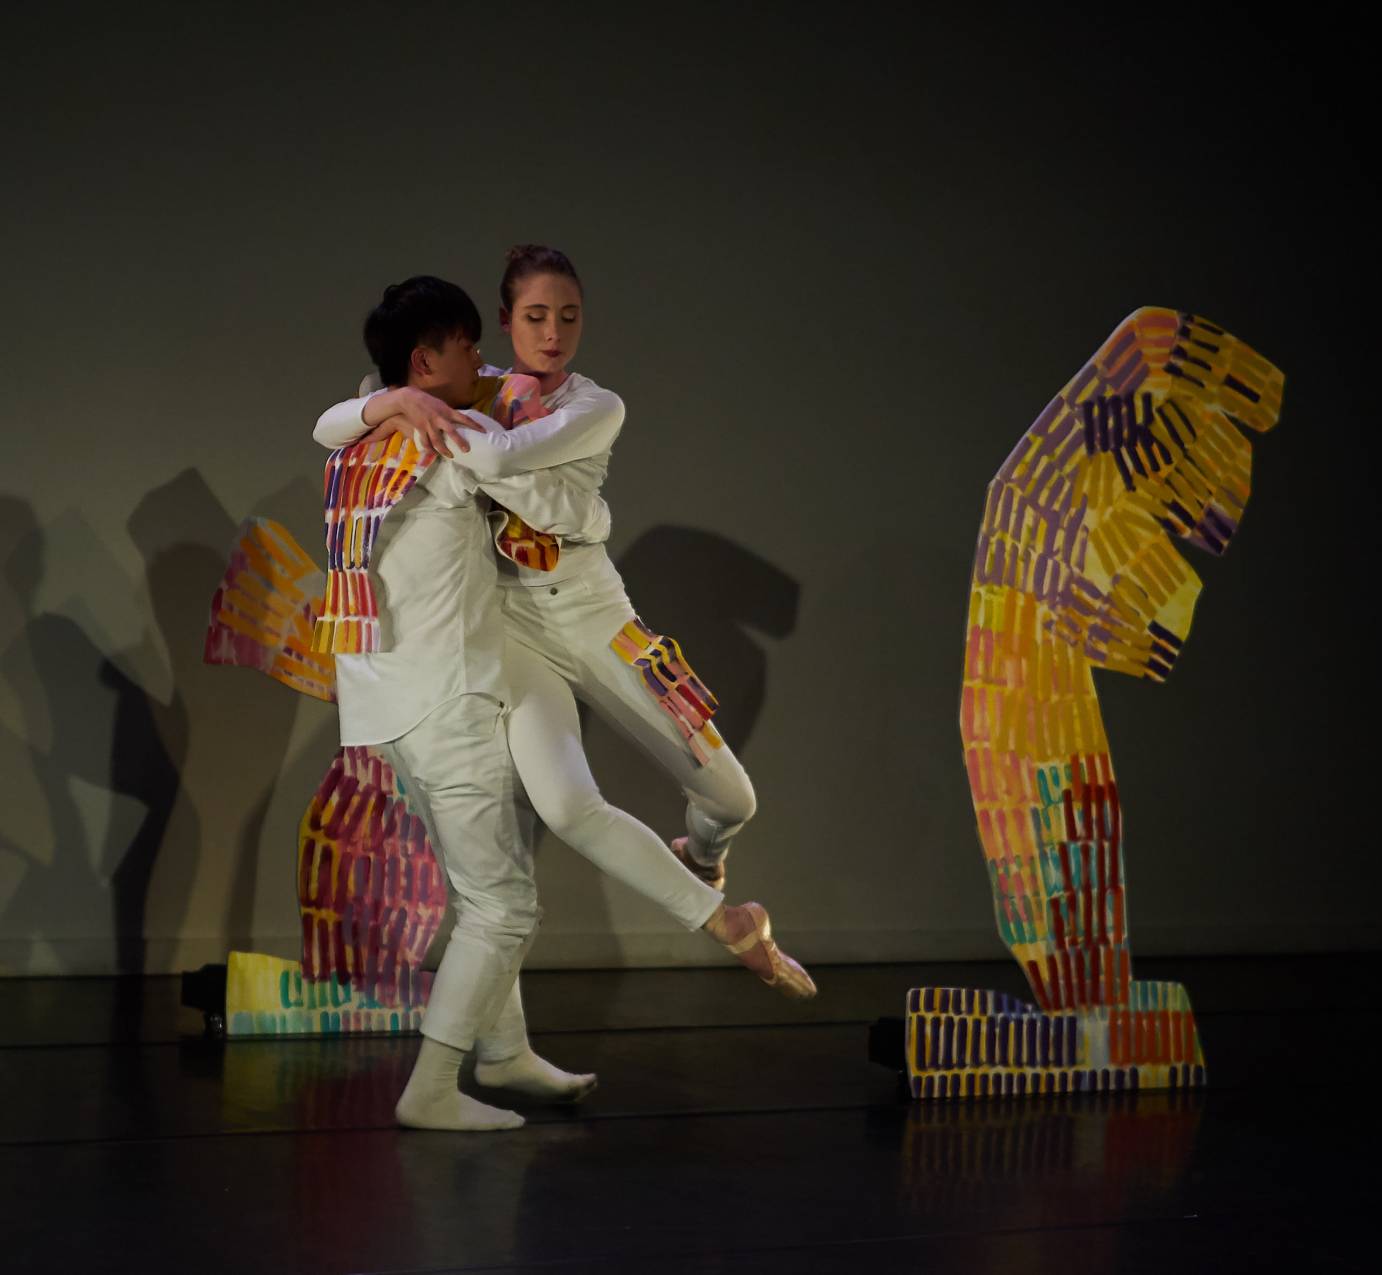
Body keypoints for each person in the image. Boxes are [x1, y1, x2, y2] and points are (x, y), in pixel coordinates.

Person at [314, 248, 815, 1004]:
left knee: (734, 798)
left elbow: (512, 456)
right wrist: (392, 404)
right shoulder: (459, 382)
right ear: (507, 320)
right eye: (536, 317)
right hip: (512, 627)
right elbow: (331, 423)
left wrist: (420, 413)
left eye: (569, 317)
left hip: (594, 615)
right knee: (567, 805)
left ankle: (702, 856)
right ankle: (728, 920)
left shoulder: (593, 403)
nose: (553, 334)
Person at [322, 275, 612, 1131]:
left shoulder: (360, 442)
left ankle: (504, 1050)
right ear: (424, 363)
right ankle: (433, 1087)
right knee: (504, 902)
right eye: (466, 346)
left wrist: (384, 404)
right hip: (449, 695)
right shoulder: (451, 439)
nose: (483, 360)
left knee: (488, 877)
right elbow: (563, 505)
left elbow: (332, 417)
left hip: (390, 697)